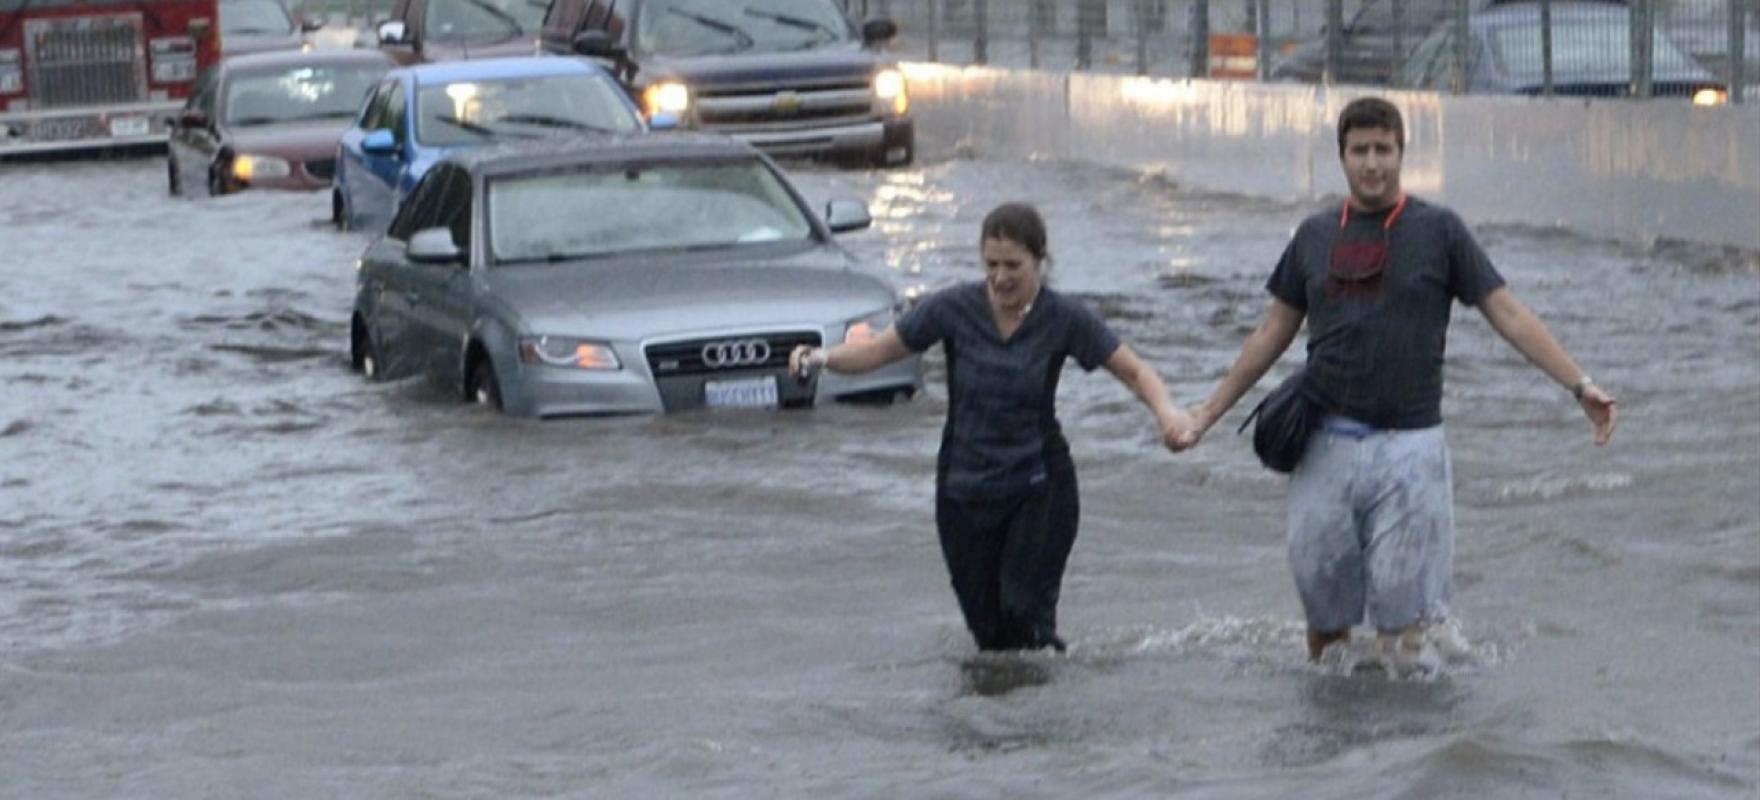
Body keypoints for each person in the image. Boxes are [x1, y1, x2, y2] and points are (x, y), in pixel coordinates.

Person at [1177, 97, 1617, 665]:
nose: (1372, 163)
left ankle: (1404, 748)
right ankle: (1332, 741)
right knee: (1325, 627)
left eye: (1383, 149)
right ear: (1341, 157)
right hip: (1324, 450)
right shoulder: (1313, 236)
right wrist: (1205, 415)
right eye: (1359, 150)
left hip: (1412, 452)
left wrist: (1579, 386)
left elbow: (1506, 312)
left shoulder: (1439, 231)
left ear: (1402, 153)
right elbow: (1270, 335)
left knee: (1404, 640)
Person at [789, 202, 1196, 653]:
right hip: (963, 489)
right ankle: (997, 719)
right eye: (991, 265)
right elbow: (878, 352)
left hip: (1039, 486)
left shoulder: (1063, 318)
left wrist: (1168, 414)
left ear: (1040, 260)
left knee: (1025, 617)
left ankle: (1042, 715)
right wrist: (819, 358)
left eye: (1013, 266)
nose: (1001, 278)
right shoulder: (952, 308)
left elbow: (1135, 371)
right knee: (987, 634)